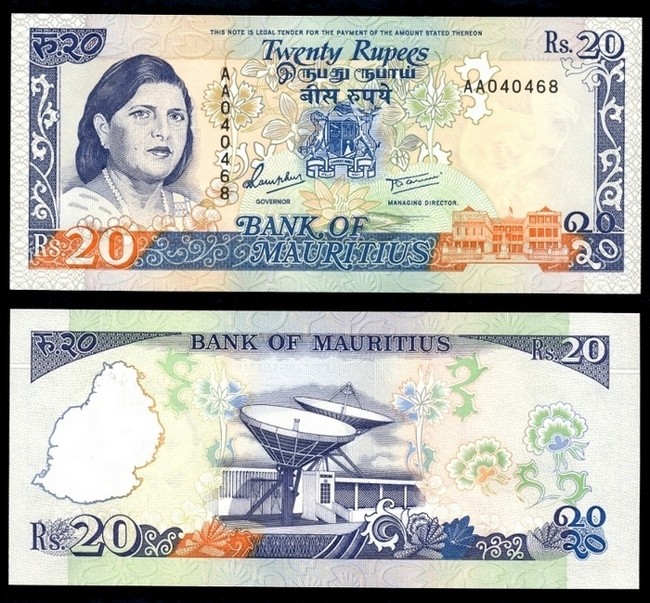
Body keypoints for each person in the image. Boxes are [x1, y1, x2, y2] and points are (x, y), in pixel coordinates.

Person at [60, 54, 195, 228]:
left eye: (175, 116)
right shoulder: (73, 212)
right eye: (141, 114)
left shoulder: (194, 215)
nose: (164, 132)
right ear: (104, 129)